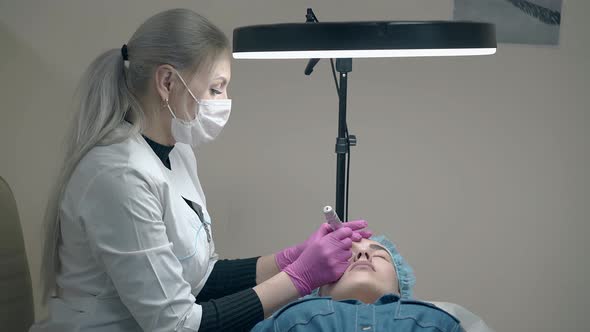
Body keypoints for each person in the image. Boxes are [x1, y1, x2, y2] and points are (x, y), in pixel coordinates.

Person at [29, 8, 372, 332]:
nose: (223, 101)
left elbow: (199, 277)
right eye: (215, 88)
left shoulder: (177, 154)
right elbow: (176, 325)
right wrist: (300, 277)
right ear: (167, 82)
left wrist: (289, 258)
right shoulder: (118, 176)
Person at [252, 236, 467, 332]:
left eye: (380, 256)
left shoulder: (435, 322)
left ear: (401, 286)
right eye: (345, 257)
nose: (363, 253)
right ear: (317, 287)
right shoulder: (292, 319)